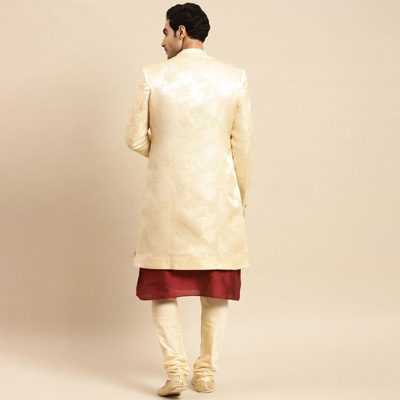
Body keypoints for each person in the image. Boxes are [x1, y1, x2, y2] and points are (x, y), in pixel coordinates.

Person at [124, 2, 253, 397]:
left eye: (165, 32)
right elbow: (242, 146)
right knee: (215, 287)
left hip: (166, 200)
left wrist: (168, 155)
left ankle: (175, 372)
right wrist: (240, 199)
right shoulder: (234, 77)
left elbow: (134, 138)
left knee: (163, 283)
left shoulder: (153, 76)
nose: (162, 41)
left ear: (181, 31)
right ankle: (206, 374)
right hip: (217, 202)